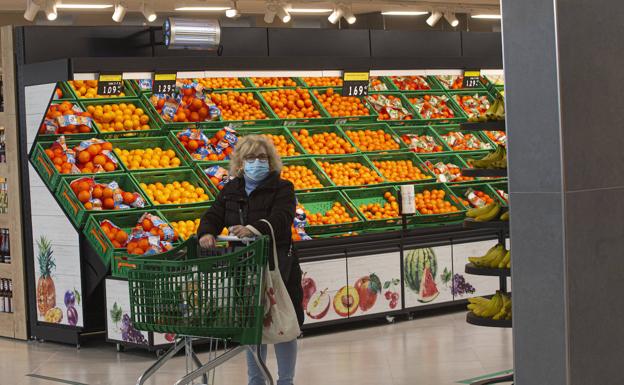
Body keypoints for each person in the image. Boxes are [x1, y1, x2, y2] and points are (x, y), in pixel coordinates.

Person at [197, 134, 304, 385]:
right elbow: (214, 214)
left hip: (277, 265)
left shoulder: (283, 188)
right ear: (241, 162)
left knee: (283, 324)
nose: (258, 162)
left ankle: (285, 381)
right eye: (251, 157)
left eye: (262, 157)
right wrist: (206, 232)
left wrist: (254, 229)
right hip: (245, 268)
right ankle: (256, 380)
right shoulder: (231, 189)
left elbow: (282, 218)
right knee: (252, 325)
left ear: (271, 161)